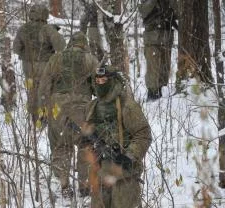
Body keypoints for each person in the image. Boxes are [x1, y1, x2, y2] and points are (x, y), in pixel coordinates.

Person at [38, 31, 99, 198]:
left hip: (57, 107)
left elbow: (44, 86)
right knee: (85, 145)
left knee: (61, 145)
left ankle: (64, 184)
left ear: (70, 43)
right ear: (84, 44)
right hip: (82, 108)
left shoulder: (56, 58)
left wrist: (43, 110)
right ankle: (84, 186)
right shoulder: (90, 60)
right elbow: (98, 86)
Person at [84, 66, 152, 207]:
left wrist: (129, 155)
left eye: (104, 80)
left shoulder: (127, 105)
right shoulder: (92, 107)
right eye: (98, 80)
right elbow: (86, 135)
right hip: (100, 176)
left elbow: (143, 134)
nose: (101, 83)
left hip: (125, 176)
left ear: (113, 81)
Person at [13, 3, 65, 122]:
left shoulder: (23, 28)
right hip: (45, 65)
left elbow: (16, 48)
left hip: (27, 66)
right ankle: (44, 117)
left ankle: (33, 116)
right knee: (45, 90)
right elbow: (61, 46)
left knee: (32, 90)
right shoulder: (47, 28)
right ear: (45, 15)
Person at [139, 0, 178, 100]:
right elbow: (143, 11)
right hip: (152, 38)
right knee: (153, 68)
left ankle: (162, 92)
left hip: (166, 37)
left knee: (165, 67)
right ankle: (152, 93)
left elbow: (178, 12)